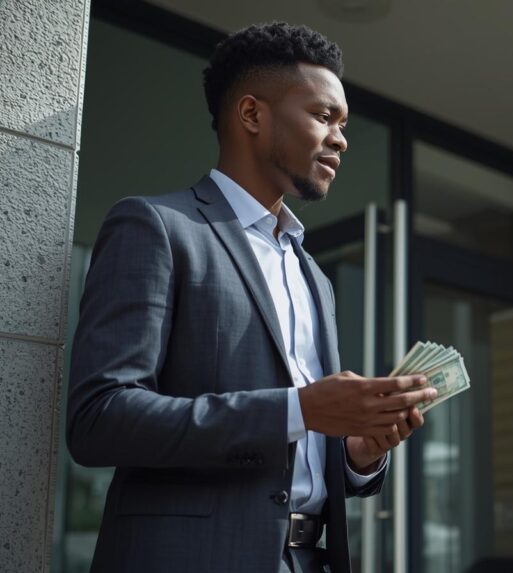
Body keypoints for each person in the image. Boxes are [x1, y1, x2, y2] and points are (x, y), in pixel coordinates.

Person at [65, 22, 436, 573]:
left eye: (344, 123)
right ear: (252, 115)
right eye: (322, 116)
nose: (341, 138)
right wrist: (300, 409)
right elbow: (100, 419)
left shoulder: (313, 274)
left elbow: (300, 459)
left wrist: (358, 454)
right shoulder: (156, 228)